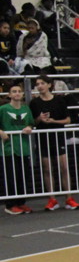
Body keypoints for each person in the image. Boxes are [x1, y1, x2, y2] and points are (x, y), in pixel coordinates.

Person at [30, 74, 79, 211]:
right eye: (37, 84)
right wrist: (40, 119)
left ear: (49, 85)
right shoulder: (34, 103)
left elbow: (68, 120)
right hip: (43, 138)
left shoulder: (59, 100)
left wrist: (54, 121)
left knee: (64, 167)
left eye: (42, 83)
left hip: (58, 137)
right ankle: (52, 199)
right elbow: (32, 122)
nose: (40, 86)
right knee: (47, 168)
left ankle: (69, 198)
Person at [1, 83, 34, 214]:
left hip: (23, 148)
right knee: (10, 177)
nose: (17, 93)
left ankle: (21, 202)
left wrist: (29, 127)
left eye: (19, 91)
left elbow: (31, 123)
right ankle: (10, 205)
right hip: (8, 149)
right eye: (14, 91)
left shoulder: (26, 109)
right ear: (9, 95)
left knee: (23, 176)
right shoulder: (3, 109)